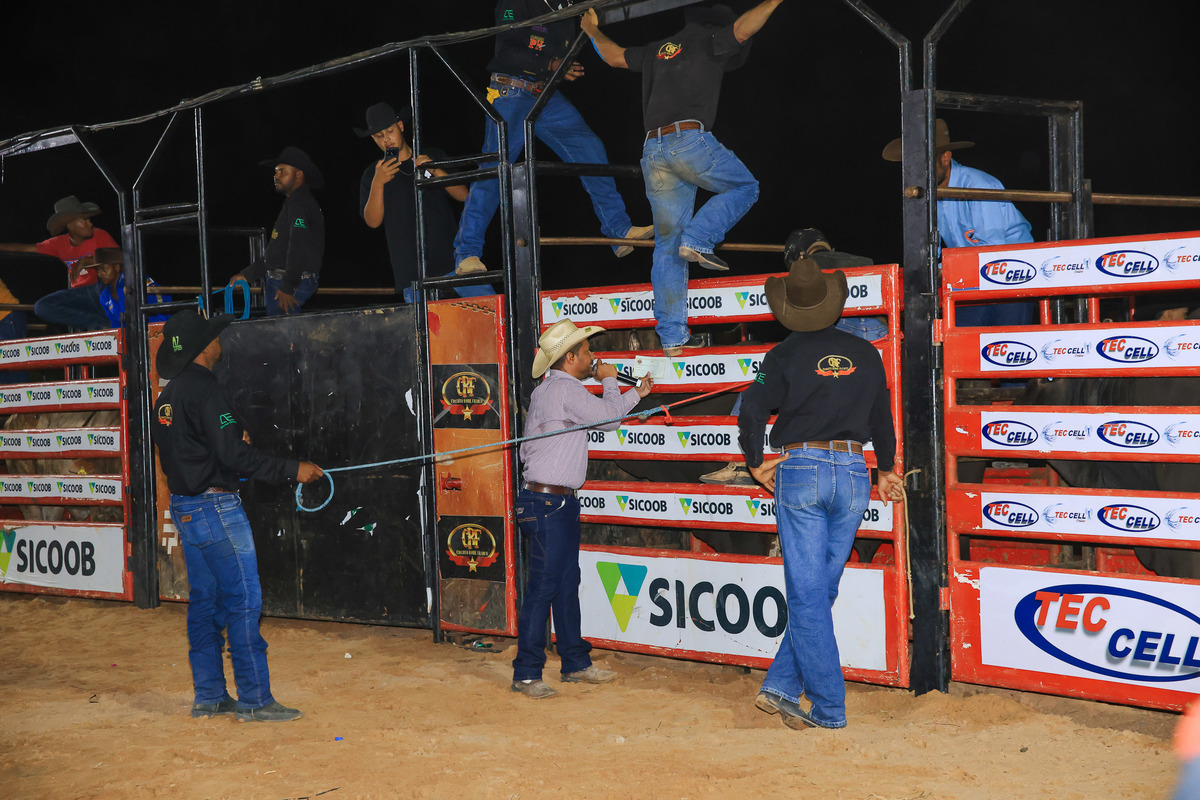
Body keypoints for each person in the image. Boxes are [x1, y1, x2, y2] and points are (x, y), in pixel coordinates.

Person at [736, 256, 903, 730]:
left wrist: (755, 461)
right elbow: (882, 418)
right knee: (821, 589)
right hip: (852, 471)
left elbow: (752, 408)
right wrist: (886, 469)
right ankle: (781, 685)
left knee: (809, 594)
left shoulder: (782, 356)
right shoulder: (866, 354)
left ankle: (829, 708)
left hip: (802, 469)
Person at [151, 310, 325, 722]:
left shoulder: (168, 397)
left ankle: (210, 695)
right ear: (203, 348)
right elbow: (234, 455)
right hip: (216, 508)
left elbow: (194, 451)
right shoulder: (207, 390)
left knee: (205, 601)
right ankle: (255, 698)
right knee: (244, 600)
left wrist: (231, 445)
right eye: (213, 337)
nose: (219, 342)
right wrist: (293, 470)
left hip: (187, 508)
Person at [582, 1, 783, 356]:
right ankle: (700, 238)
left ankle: (673, 337)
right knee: (745, 186)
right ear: (715, 26)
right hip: (687, 140)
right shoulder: (711, 40)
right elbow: (743, 29)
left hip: (652, 151)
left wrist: (591, 30)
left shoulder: (657, 50)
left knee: (667, 245)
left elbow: (613, 57)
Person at [452, 0, 653, 276]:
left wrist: (569, 55)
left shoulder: (567, 8)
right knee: (495, 168)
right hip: (511, 91)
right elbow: (507, 51)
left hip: (545, 94)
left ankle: (618, 229)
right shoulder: (518, 3)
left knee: (590, 147)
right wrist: (552, 63)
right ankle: (467, 253)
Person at [512, 318, 653, 699]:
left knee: (563, 582)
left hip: (551, 501)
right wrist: (611, 381)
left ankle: (574, 662)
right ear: (570, 358)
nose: (593, 357)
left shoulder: (552, 389)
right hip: (550, 502)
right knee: (546, 585)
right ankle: (527, 672)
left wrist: (634, 393)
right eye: (588, 352)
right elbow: (608, 420)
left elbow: (603, 417)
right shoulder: (565, 389)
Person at [700, 227, 883, 486]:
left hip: (835, 335)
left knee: (769, 380)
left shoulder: (810, 273)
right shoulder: (859, 265)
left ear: (799, 258)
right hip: (876, 337)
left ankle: (741, 463)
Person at [882, 118, 1035, 327]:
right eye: (913, 166)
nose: (918, 172)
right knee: (961, 338)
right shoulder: (926, 194)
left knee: (1008, 340)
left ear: (945, 158)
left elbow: (991, 248)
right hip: (970, 278)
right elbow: (929, 248)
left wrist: (941, 268)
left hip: (1013, 275)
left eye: (924, 164)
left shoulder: (977, 185)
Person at [355, 102, 496, 302]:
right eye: (379, 136)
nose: (386, 139)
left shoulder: (432, 156)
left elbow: (464, 195)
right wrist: (378, 183)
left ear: (400, 126)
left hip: (454, 263)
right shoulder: (373, 173)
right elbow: (372, 221)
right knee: (428, 323)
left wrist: (435, 170)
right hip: (412, 273)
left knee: (489, 309)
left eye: (390, 131)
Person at [229, 147, 325, 315]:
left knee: (280, 330)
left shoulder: (300, 205)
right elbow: (276, 253)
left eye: (283, 172)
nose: (276, 176)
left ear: (299, 175)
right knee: (280, 328)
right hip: (284, 280)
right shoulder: (294, 204)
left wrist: (288, 287)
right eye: (276, 171)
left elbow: (298, 247)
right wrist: (248, 275)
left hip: (287, 282)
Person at [34, 247, 169, 331]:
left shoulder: (137, 281)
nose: (100, 274)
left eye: (104, 269)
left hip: (155, 333)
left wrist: (158, 330)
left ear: (117, 267)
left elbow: (161, 300)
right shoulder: (105, 296)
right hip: (132, 340)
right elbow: (117, 326)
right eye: (97, 270)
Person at [0, 195, 120, 288]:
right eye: (84, 220)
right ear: (70, 225)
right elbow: (24, 248)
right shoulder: (58, 243)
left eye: (89, 220)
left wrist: (85, 261)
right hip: (79, 292)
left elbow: (120, 256)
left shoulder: (99, 235)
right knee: (43, 306)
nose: (90, 223)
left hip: (103, 286)